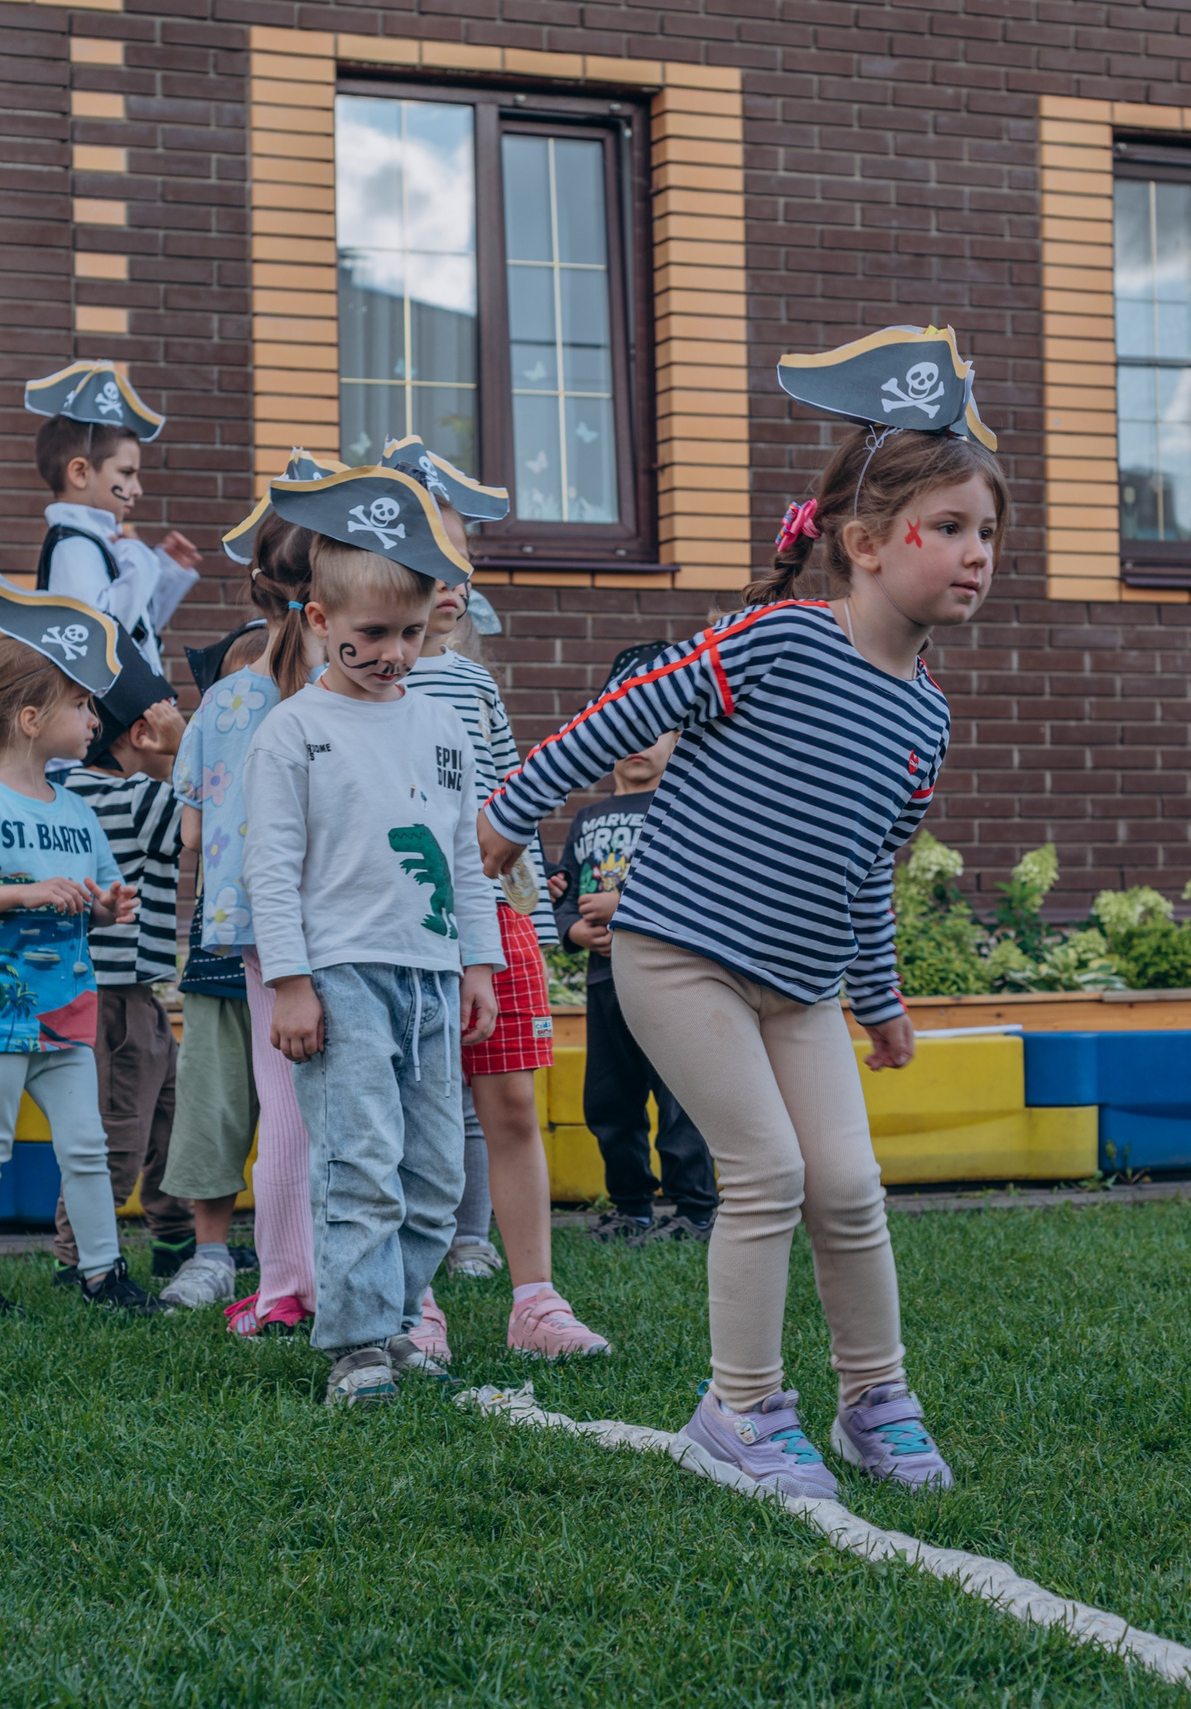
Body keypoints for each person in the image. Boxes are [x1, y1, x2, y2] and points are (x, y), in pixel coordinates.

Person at [479, 325, 1004, 1494]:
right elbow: (621, 716)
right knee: (764, 1169)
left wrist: (881, 1004)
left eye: (987, 533)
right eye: (951, 529)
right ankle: (744, 1409)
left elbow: (867, 871)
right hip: (678, 955)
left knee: (849, 1185)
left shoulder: (926, 721)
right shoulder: (772, 643)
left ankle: (875, 1399)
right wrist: (510, 810)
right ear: (865, 545)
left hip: (802, 985)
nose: (977, 555)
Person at [240, 465, 503, 1408]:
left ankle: (393, 1312)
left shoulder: (443, 726)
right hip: (342, 976)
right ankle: (356, 1344)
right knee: (360, 1161)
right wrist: (293, 984)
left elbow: (466, 858)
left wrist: (480, 963)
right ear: (318, 621)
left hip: (434, 977)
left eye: (413, 633)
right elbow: (268, 870)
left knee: (433, 1174)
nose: (395, 654)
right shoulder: (293, 732)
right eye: (372, 636)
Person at [390, 435, 609, 1356]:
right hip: (407, 926)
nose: (450, 583)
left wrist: (519, 852)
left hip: (499, 914)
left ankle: (536, 1300)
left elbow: (511, 786)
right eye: (429, 563)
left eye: (460, 564)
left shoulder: (476, 680)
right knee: (408, 1114)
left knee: (512, 1105)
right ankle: (414, 1298)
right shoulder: (369, 683)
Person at [0, 579, 154, 1321]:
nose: (96, 718)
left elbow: (106, 901)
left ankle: (101, 1274)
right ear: (29, 717)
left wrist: (114, 909)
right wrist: (28, 892)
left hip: (69, 1006)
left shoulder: (80, 809)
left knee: (85, 1146)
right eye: (82, 705)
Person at [194, 467, 328, 1340]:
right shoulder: (338, 695)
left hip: (246, 922)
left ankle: (286, 1277)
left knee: (282, 1101)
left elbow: (198, 814)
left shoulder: (224, 698)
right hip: (331, 913)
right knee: (328, 1105)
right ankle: (313, 1279)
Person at [548, 643, 720, 1246]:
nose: (639, 741)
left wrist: (626, 910)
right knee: (610, 1104)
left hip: (672, 982)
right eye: (628, 726)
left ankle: (697, 1211)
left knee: (678, 1102)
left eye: (656, 729)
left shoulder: (688, 808)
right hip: (605, 984)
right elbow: (564, 893)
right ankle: (630, 1207)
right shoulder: (587, 817)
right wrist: (574, 928)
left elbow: (702, 887)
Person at [54, 645, 194, 1287]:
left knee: (163, 1113)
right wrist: (187, 747)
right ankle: (80, 1260)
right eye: (165, 715)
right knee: (122, 1124)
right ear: (142, 732)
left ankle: (176, 1240)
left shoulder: (64, 788)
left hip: (120, 992)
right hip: (117, 996)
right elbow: (208, 818)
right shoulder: (141, 795)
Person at [153, 625, 270, 1315]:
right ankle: (211, 1252)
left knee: (219, 1103)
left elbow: (191, 830)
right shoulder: (225, 719)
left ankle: (224, 1253)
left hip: (248, 939)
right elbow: (188, 828)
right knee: (213, 1105)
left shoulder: (222, 713)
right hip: (227, 950)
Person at [23, 359, 201, 681]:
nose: (137, 489)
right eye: (126, 474)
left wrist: (166, 572)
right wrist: (142, 561)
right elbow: (103, 636)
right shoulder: (74, 546)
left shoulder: (99, 541)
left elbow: (135, 629)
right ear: (79, 473)